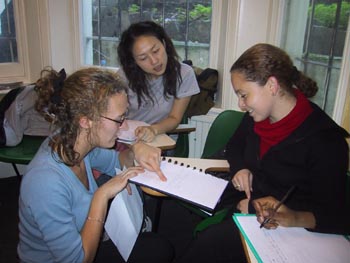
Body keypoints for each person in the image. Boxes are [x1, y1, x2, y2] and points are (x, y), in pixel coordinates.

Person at [177, 43, 350, 262]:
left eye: (244, 95)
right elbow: (235, 146)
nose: (240, 105)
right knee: (190, 217)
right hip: (248, 211)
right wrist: (241, 168)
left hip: (287, 232)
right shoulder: (257, 116)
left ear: (272, 85)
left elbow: (337, 216)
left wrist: (294, 217)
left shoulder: (325, 141)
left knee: (209, 245)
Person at [17, 67, 174, 263]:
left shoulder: (77, 144)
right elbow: (78, 260)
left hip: (83, 239)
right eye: (119, 120)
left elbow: (117, 160)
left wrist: (137, 148)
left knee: (158, 247)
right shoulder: (44, 181)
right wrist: (101, 196)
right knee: (156, 250)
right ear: (85, 121)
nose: (124, 126)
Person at [117, 20, 200, 142]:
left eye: (156, 51)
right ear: (134, 61)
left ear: (164, 44)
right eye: (143, 58)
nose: (154, 61)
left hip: (159, 137)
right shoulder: (123, 77)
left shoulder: (184, 74)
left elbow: (174, 118)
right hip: (126, 139)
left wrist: (153, 130)